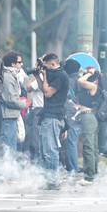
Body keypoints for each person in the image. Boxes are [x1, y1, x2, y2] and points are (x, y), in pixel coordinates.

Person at [34, 53, 70, 190]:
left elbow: (48, 93)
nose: (45, 69)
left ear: (53, 64)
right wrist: (38, 77)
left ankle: (53, 181)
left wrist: (45, 77)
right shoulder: (53, 75)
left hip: (54, 117)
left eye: (46, 66)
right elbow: (44, 91)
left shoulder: (60, 75)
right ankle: (49, 180)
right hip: (49, 116)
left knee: (50, 150)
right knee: (44, 151)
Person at [0, 51, 27, 175]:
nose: (22, 64)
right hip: (8, 115)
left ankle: (11, 173)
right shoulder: (8, 77)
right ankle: (4, 173)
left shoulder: (12, 75)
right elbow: (10, 99)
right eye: (19, 62)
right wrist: (23, 103)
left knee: (12, 146)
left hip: (12, 115)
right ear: (12, 64)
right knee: (7, 146)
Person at [74, 65, 102, 185]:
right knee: (92, 146)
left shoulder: (93, 86)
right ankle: (94, 174)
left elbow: (80, 81)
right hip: (90, 116)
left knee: (89, 147)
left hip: (88, 116)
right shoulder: (90, 87)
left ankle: (89, 176)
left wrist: (90, 72)